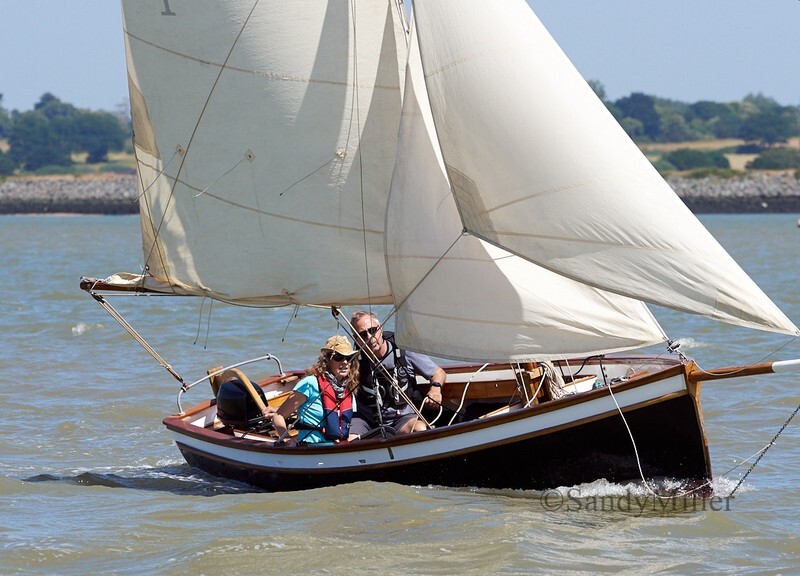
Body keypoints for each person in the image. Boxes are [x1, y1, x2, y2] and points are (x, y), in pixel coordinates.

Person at [349, 310, 446, 437]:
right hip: (368, 421)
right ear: (356, 339)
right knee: (350, 440)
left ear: (380, 329)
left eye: (372, 330)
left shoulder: (404, 352)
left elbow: (438, 372)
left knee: (421, 430)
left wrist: (435, 388)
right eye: (362, 334)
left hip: (403, 419)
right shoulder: (354, 361)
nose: (369, 337)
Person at [272, 335, 360, 446]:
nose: (345, 362)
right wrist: (286, 439)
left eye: (349, 358)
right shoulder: (310, 383)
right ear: (327, 360)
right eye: (338, 357)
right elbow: (278, 416)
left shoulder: (348, 389)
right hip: (310, 446)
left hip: (336, 447)